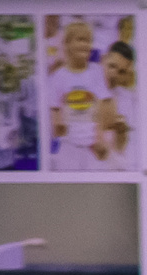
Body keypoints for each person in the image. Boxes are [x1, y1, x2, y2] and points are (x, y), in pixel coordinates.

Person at [43, 18, 108, 172]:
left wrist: (99, 138)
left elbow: (101, 108)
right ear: (67, 44)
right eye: (80, 40)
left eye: (89, 41)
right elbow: (54, 107)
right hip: (68, 145)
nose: (86, 44)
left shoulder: (96, 72)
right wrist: (57, 124)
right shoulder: (59, 76)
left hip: (91, 145)